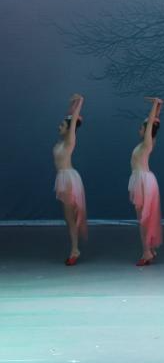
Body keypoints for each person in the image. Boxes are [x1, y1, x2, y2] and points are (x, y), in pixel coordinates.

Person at [128, 97, 163, 266]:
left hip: (143, 181)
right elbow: (153, 124)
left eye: (142, 127)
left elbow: (150, 125)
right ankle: (150, 249)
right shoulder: (146, 144)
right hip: (142, 179)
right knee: (145, 217)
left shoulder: (147, 143)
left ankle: (146, 252)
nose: (140, 129)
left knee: (142, 218)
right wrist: (158, 109)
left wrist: (155, 105)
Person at [54, 93, 86, 265]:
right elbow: (69, 119)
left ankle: (75, 250)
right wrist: (72, 105)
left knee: (71, 218)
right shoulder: (61, 143)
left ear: (68, 130)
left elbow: (72, 123)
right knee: (69, 218)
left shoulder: (69, 142)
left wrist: (80, 102)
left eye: (62, 125)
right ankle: (74, 248)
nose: (59, 126)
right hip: (63, 178)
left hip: (68, 179)